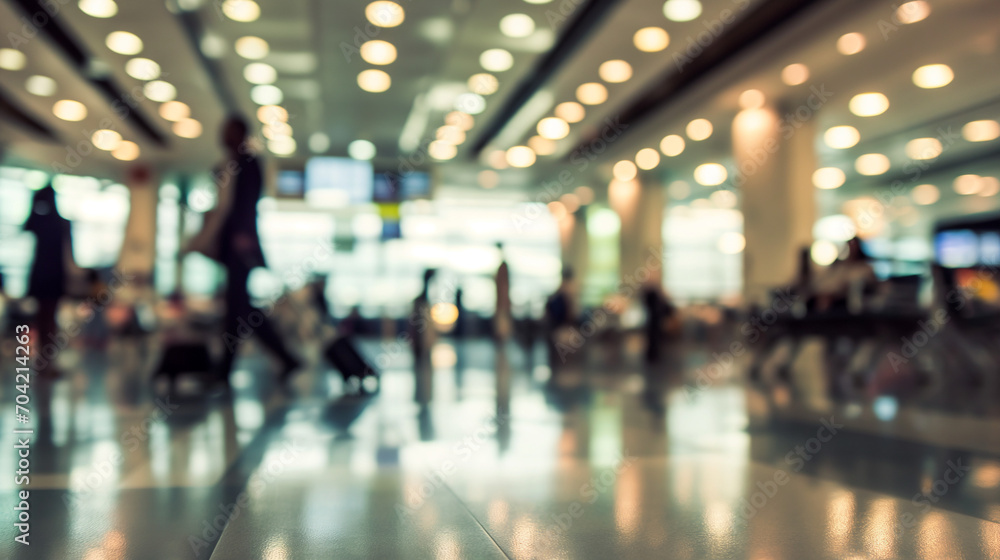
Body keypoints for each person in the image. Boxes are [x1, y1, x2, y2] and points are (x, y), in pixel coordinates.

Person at [210, 115, 300, 384]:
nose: (225, 136)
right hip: (232, 246)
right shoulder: (230, 164)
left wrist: (242, 235)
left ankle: (226, 369)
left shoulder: (249, 163)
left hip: (241, 246)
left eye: (230, 131)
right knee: (241, 309)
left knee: (237, 308)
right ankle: (283, 357)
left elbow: (247, 204)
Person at [24, 185, 76, 378]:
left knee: (44, 321)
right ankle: (44, 362)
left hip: (43, 276)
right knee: (48, 322)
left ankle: (43, 362)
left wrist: (33, 202)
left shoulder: (41, 221)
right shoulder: (60, 222)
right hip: (53, 277)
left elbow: (27, 226)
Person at [812, 237, 877, 313]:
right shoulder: (841, 267)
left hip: (855, 305)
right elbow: (831, 283)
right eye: (849, 246)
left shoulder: (865, 268)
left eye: (854, 246)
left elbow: (868, 286)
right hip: (837, 304)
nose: (852, 249)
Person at [494, 242, 511, 342]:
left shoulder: (503, 266)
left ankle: (503, 339)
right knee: (502, 323)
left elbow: (504, 286)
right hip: (501, 301)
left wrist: (504, 301)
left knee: (503, 324)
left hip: (502, 302)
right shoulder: (502, 266)